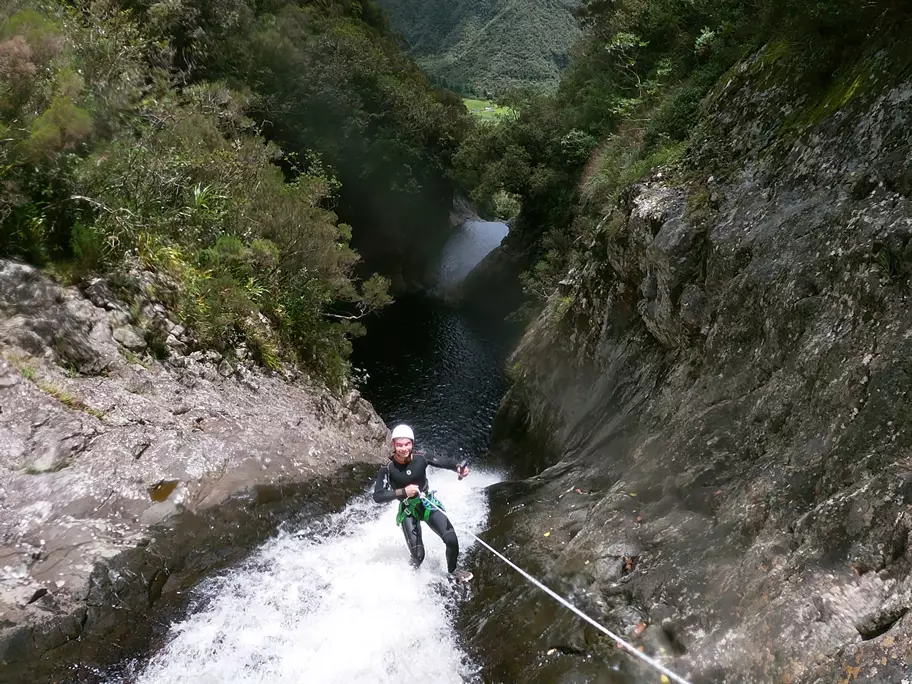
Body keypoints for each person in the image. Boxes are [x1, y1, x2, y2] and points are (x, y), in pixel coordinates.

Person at [373, 424, 473, 581]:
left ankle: (453, 570)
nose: (404, 448)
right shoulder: (387, 468)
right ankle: (410, 577)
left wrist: (458, 467)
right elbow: (378, 496)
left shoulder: (422, 457)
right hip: (408, 510)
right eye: (399, 445)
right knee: (419, 556)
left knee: (451, 540)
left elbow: (443, 461)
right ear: (393, 445)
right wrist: (403, 492)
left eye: (407, 444)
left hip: (427, 504)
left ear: (412, 443)